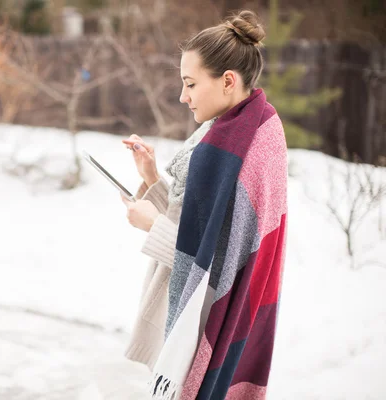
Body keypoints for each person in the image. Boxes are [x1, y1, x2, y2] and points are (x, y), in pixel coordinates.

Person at [120, 10, 288, 400]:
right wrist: (152, 178)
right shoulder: (237, 128)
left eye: (191, 83)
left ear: (228, 80)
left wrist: (152, 226)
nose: (183, 96)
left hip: (209, 321)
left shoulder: (245, 149)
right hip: (199, 313)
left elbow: (220, 262)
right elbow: (202, 223)